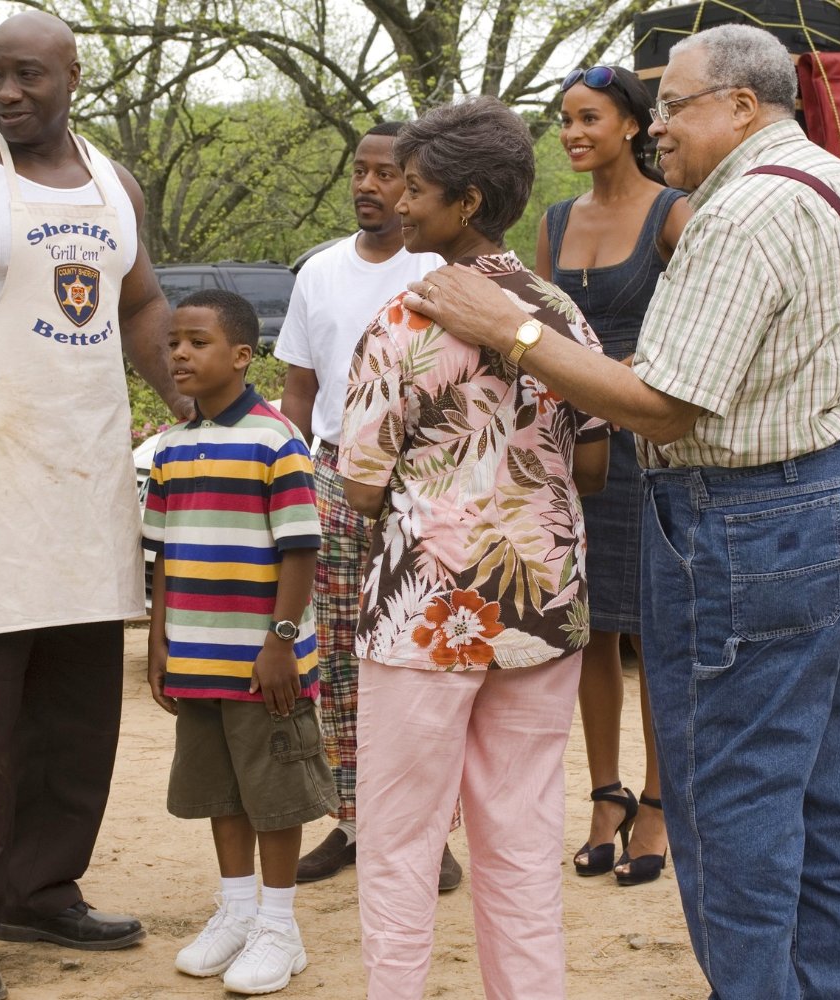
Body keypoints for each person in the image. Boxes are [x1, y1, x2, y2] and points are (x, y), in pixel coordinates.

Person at [405, 25, 840, 1000]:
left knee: (729, 802)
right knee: (831, 785)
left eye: (676, 107)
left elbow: (666, 405)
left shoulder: (738, 214)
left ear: (739, 103)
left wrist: (506, 328)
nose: (660, 134)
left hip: (750, 515)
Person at [0, 12, 188, 1000]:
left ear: (70, 76)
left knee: (78, 709)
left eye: (25, 76)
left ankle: (43, 883)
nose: (6, 92)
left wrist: (189, 403)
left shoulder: (113, 186)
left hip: (88, 481)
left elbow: (139, 306)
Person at [340, 96, 610, 1000]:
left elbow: (360, 483)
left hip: (425, 613)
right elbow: (598, 460)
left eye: (415, 189)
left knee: (399, 837)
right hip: (542, 602)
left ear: (467, 201)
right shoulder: (561, 312)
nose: (398, 202)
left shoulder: (402, 322)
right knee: (524, 834)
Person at [274, 122, 452, 888]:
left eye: (390, 175)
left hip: (421, 489)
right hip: (333, 484)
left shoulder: (439, 269)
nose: (370, 186)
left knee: (421, 661)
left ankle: (427, 833)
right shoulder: (317, 272)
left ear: (413, 185)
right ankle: (351, 822)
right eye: (361, 171)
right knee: (342, 665)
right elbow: (298, 390)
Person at [144, 289, 337, 995]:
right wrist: (158, 644)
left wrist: (281, 641)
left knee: (274, 794)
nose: (179, 354)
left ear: (241, 355)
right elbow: (163, 556)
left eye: (196, 342)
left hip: (265, 666)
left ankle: (279, 928)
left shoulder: (275, 439)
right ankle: (236, 910)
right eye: (172, 343)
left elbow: (300, 551)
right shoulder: (171, 447)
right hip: (197, 660)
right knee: (220, 792)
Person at [537, 63, 689, 886]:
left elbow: (701, 320)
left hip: (646, 445)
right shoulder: (555, 221)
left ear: (631, 125)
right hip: (569, 447)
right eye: (564, 120)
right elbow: (537, 327)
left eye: (588, 118)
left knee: (651, 628)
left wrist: (623, 371)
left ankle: (660, 808)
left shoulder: (673, 213)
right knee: (588, 631)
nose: (572, 133)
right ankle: (606, 797)